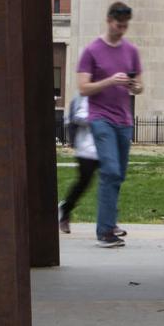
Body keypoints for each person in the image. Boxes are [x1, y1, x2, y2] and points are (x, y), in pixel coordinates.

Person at [76, 2, 142, 248]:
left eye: (125, 26)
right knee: (110, 171)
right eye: (118, 25)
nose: (122, 29)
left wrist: (135, 86)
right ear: (108, 20)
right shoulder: (92, 50)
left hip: (124, 120)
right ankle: (104, 231)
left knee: (119, 174)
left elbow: (141, 85)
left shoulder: (131, 50)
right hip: (100, 118)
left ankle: (110, 221)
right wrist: (109, 81)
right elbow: (83, 87)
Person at [58, 94, 99, 233]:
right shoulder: (83, 96)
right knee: (84, 181)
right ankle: (65, 209)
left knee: (111, 180)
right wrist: (100, 118)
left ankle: (108, 222)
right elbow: (76, 116)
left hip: (106, 145)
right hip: (86, 147)